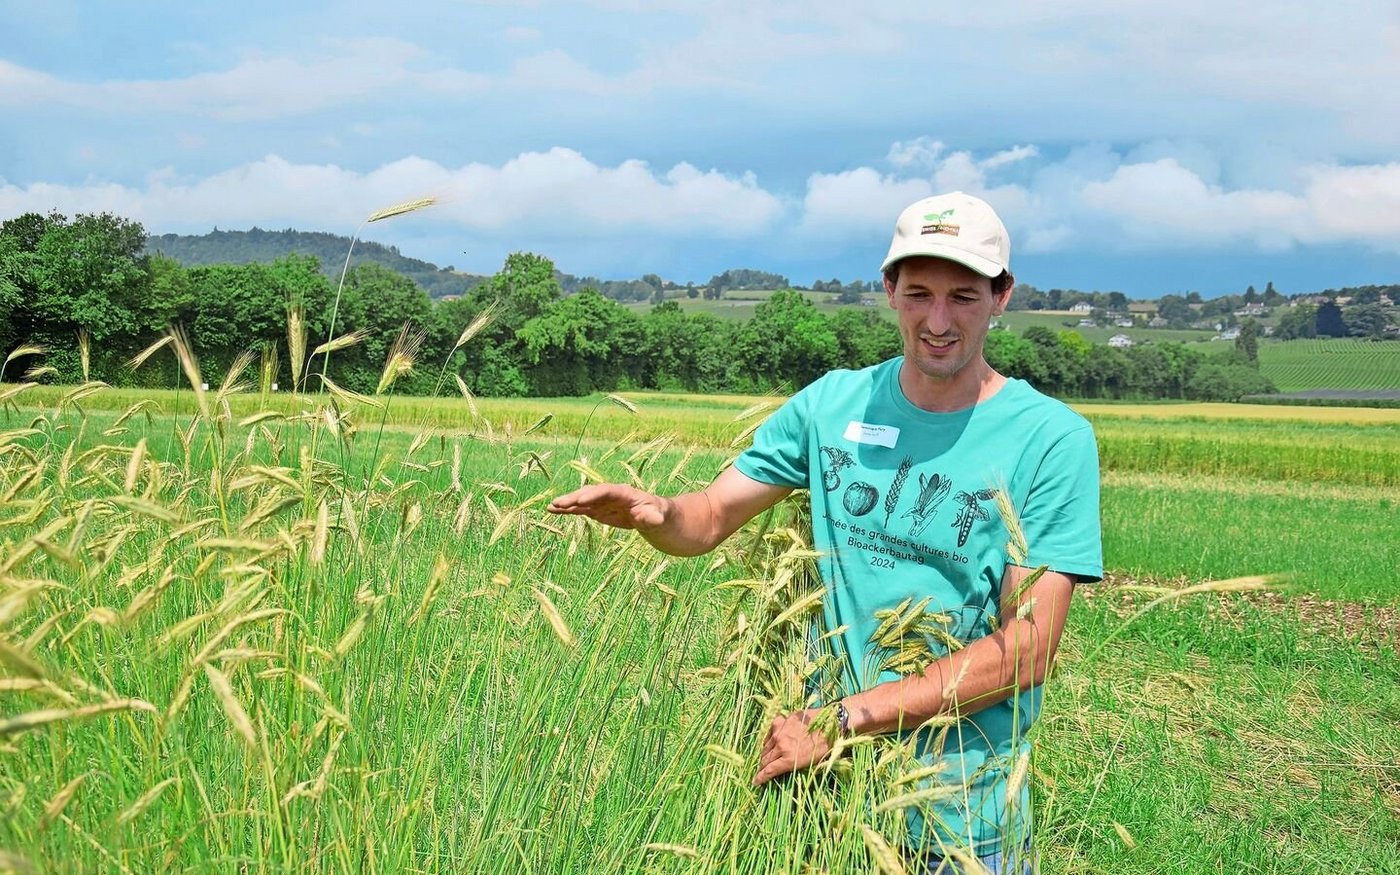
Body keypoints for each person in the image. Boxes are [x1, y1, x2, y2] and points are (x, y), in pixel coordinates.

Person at [547, 191, 1102, 873]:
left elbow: (1027, 647)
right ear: (889, 289)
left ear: (1002, 295)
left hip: (958, 822)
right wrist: (658, 514)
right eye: (919, 292)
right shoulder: (831, 404)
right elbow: (712, 516)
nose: (937, 319)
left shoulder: (1051, 441)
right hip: (818, 804)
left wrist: (846, 718)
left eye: (963, 296)